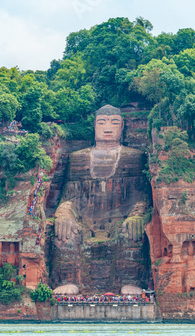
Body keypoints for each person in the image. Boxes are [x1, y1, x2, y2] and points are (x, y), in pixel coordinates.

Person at [52, 104, 150, 292]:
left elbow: (143, 198)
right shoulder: (77, 158)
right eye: (101, 122)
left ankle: (130, 283)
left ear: (122, 127)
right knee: (65, 232)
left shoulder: (135, 157)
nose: (107, 128)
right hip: (85, 225)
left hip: (120, 223)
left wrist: (137, 216)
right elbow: (67, 197)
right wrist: (64, 214)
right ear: (94, 126)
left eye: (114, 123)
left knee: (132, 232)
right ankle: (70, 282)